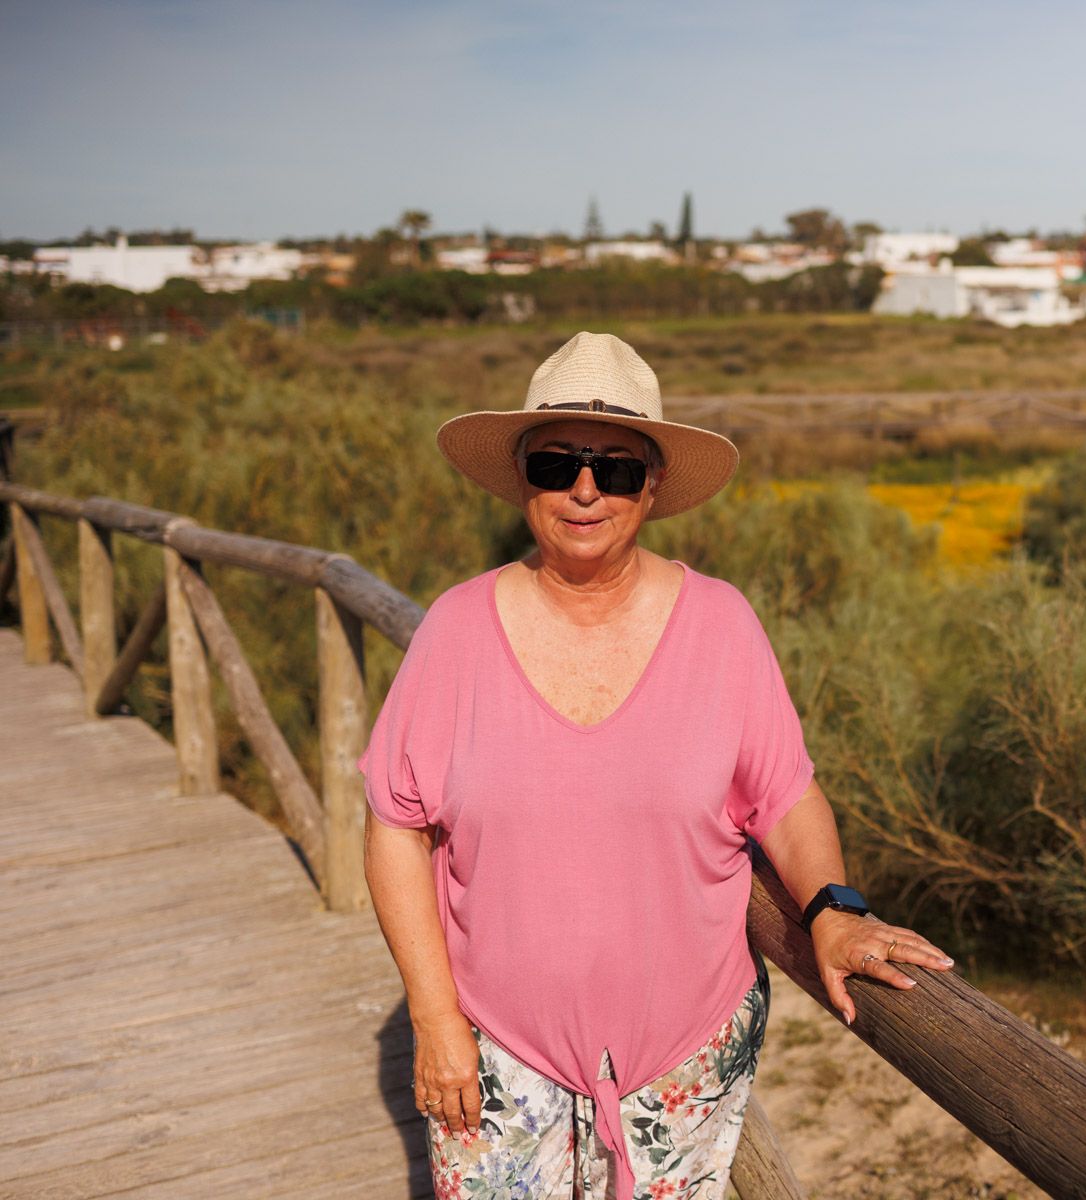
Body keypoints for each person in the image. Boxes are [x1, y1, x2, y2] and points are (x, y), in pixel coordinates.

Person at [360, 332, 954, 1200]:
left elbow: (786, 798)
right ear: (522, 478)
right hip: (491, 1047)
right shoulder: (455, 629)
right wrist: (435, 1016)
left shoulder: (721, 625)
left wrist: (833, 910)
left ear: (656, 485)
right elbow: (395, 826)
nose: (586, 489)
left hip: (690, 1054)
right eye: (558, 462)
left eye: (618, 468)